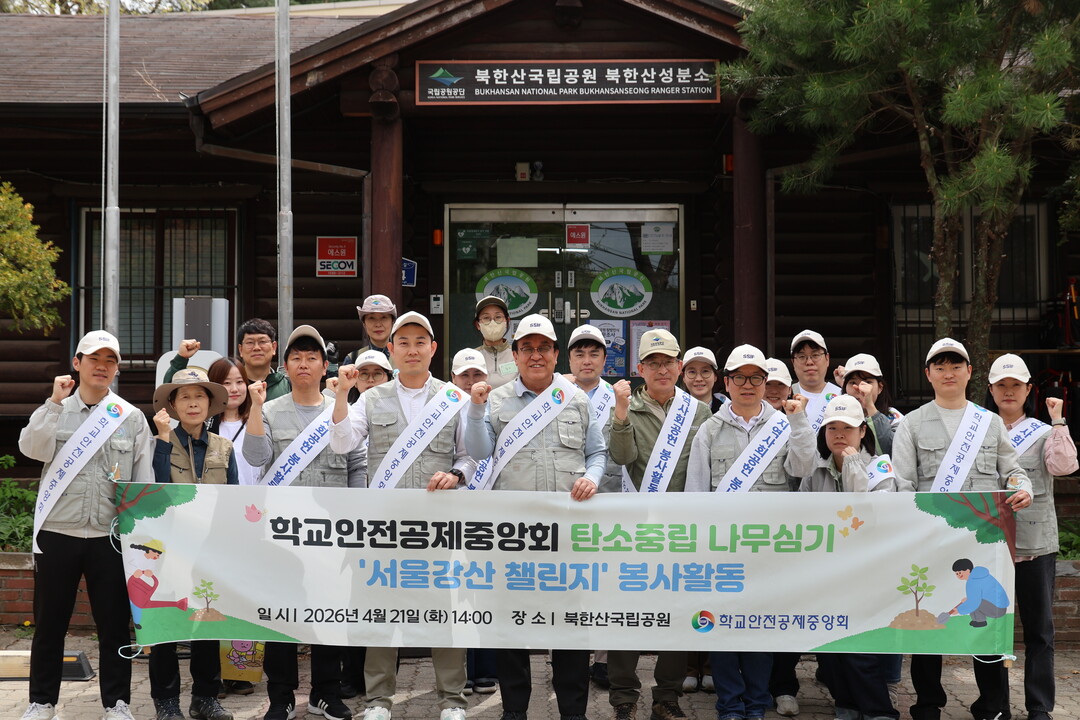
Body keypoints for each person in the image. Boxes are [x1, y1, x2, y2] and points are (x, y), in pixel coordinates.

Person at [330, 311, 470, 720]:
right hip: (386, 526)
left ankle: (452, 700)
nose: (412, 349)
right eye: (403, 342)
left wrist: (457, 473)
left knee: (445, 610)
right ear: (390, 350)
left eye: (419, 342)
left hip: (440, 525)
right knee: (382, 608)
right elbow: (341, 443)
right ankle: (378, 700)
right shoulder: (371, 398)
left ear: (433, 348)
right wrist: (342, 393)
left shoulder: (452, 398)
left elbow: (470, 456)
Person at [464, 313, 604, 720]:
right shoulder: (496, 399)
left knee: (571, 627)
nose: (536, 355)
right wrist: (475, 410)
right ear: (515, 354)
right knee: (512, 627)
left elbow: (596, 453)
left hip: (568, 535)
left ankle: (573, 711)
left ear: (557, 354)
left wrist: (593, 478)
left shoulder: (575, 398)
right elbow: (478, 452)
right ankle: (515, 711)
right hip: (514, 538)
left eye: (544, 348)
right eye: (527, 348)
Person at [892, 337, 1033, 720]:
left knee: (986, 619)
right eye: (940, 366)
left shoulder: (988, 423)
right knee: (926, 624)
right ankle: (928, 704)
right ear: (928, 374)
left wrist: (1023, 487)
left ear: (970, 372)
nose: (948, 372)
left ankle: (991, 705)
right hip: (929, 542)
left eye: (956, 366)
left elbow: (1013, 470)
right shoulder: (912, 425)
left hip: (984, 544)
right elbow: (902, 487)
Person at [18, 330, 154, 720]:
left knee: (113, 626)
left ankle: (117, 703)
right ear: (77, 364)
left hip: (108, 536)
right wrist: (53, 403)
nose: (102, 366)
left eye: (110, 361)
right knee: (49, 624)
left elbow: (140, 480)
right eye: (94, 359)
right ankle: (42, 702)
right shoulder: (56, 409)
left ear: (116, 368)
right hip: (58, 531)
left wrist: (138, 538)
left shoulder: (130, 417)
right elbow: (31, 449)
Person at [686, 345, 814, 720]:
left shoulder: (782, 424)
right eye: (739, 377)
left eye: (756, 377)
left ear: (766, 382)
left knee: (761, 627)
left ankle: (756, 703)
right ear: (727, 381)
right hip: (723, 549)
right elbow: (696, 490)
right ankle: (729, 703)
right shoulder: (709, 430)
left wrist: (800, 421)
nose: (748, 384)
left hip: (769, 550)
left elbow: (804, 468)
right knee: (724, 628)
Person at [245, 325, 364, 720]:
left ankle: (325, 693)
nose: (304, 364)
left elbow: (356, 465)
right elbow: (255, 457)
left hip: (329, 532)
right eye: (296, 357)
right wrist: (257, 408)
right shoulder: (271, 409)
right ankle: (280, 696)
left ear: (324, 365)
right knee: (281, 614)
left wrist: (352, 522)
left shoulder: (340, 408)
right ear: (285, 365)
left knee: (328, 613)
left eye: (312, 357)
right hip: (281, 533)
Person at [607, 329, 712, 720]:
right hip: (635, 527)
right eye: (653, 363)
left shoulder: (699, 413)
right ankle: (623, 698)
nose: (662, 369)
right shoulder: (627, 408)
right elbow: (621, 457)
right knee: (627, 612)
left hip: (682, 529)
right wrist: (619, 415)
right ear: (640, 369)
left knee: (678, 611)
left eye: (669, 362)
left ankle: (666, 697)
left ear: (679, 367)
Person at [984, 353, 1077, 720]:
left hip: (1036, 545)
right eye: (1002, 386)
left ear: (1028, 390)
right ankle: (993, 706)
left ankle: (1039, 706)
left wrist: (1058, 420)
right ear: (990, 390)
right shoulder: (977, 431)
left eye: (1016, 386)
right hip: (989, 543)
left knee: (1039, 631)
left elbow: (1065, 466)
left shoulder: (1042, 430)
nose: (1009, 392)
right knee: (990, 629)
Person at [799, 395, 898, 720]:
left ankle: (879, 711)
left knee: (860, 648)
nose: (840, 434)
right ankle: (847, 705)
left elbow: (867, 512)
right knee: (829, 646)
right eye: (832, 428)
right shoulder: (816, 472)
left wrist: (854, 464)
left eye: (848, 428)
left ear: (862, 432)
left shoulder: (879, 467)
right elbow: (802, 517)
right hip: (826, 573)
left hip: (867, 572)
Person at [148, 369, 237, 720]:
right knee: (165, 627)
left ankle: (205, 698)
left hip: (209, 550)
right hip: (166, 549)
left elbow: (232, 498)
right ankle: (166, 703)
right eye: (184, 397)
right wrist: (162, 438)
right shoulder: (160, 441)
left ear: (210, 403)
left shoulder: (223, 447)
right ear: (172, 404)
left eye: (199, 396)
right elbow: (152, 485)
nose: (193, 403)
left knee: (207, 623)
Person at [449, 347, 499, 697]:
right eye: (464, 376)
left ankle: (487, 669)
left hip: (489, 514)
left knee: (487, 591)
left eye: (477, 375)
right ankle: (461, 672)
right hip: (451, 514)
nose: (471, 382)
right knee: (457, 592)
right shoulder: (442, 411)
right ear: (453, 379)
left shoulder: (498, 410)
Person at [166, 319, 291, 401]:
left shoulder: (287, 386)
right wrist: (181, 359)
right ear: (240, 350)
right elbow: (169, 393)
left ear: (274, 347)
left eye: (262, 342)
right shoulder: (222, 385)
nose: (257, 348)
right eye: (250, 343)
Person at [834, 353, 903, 455]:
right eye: (853, 382)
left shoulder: (894, 417)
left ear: (880, 387)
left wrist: (870, 406)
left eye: (867, 382)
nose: (860, 388)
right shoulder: (836, 416)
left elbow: (893, 451)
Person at [789, 329, 841, 434]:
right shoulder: (786, 397)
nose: (809, 362)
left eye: (815, 355)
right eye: (802, 356)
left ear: (827, 359)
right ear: (793, 362)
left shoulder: (842, 396)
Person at [341, 293, 397, 372]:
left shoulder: (403, 356)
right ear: (364, 324)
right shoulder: (353, 358)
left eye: (384, 317)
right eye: (371, 318)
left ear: (392, 322)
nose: (378, 324)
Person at [473, 295, 517, 388]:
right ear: (478, 325)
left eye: (498, 317)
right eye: (486, 318)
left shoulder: (518, 354)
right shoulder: (472, 357)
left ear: (507, 321)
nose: (492, 322)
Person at [680, 346, 725, 412]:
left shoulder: (726, 412)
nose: (698, 379)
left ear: (715, 376)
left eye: (705, 371)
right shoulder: (673, 412)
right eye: (692, 372)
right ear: (683, 377)